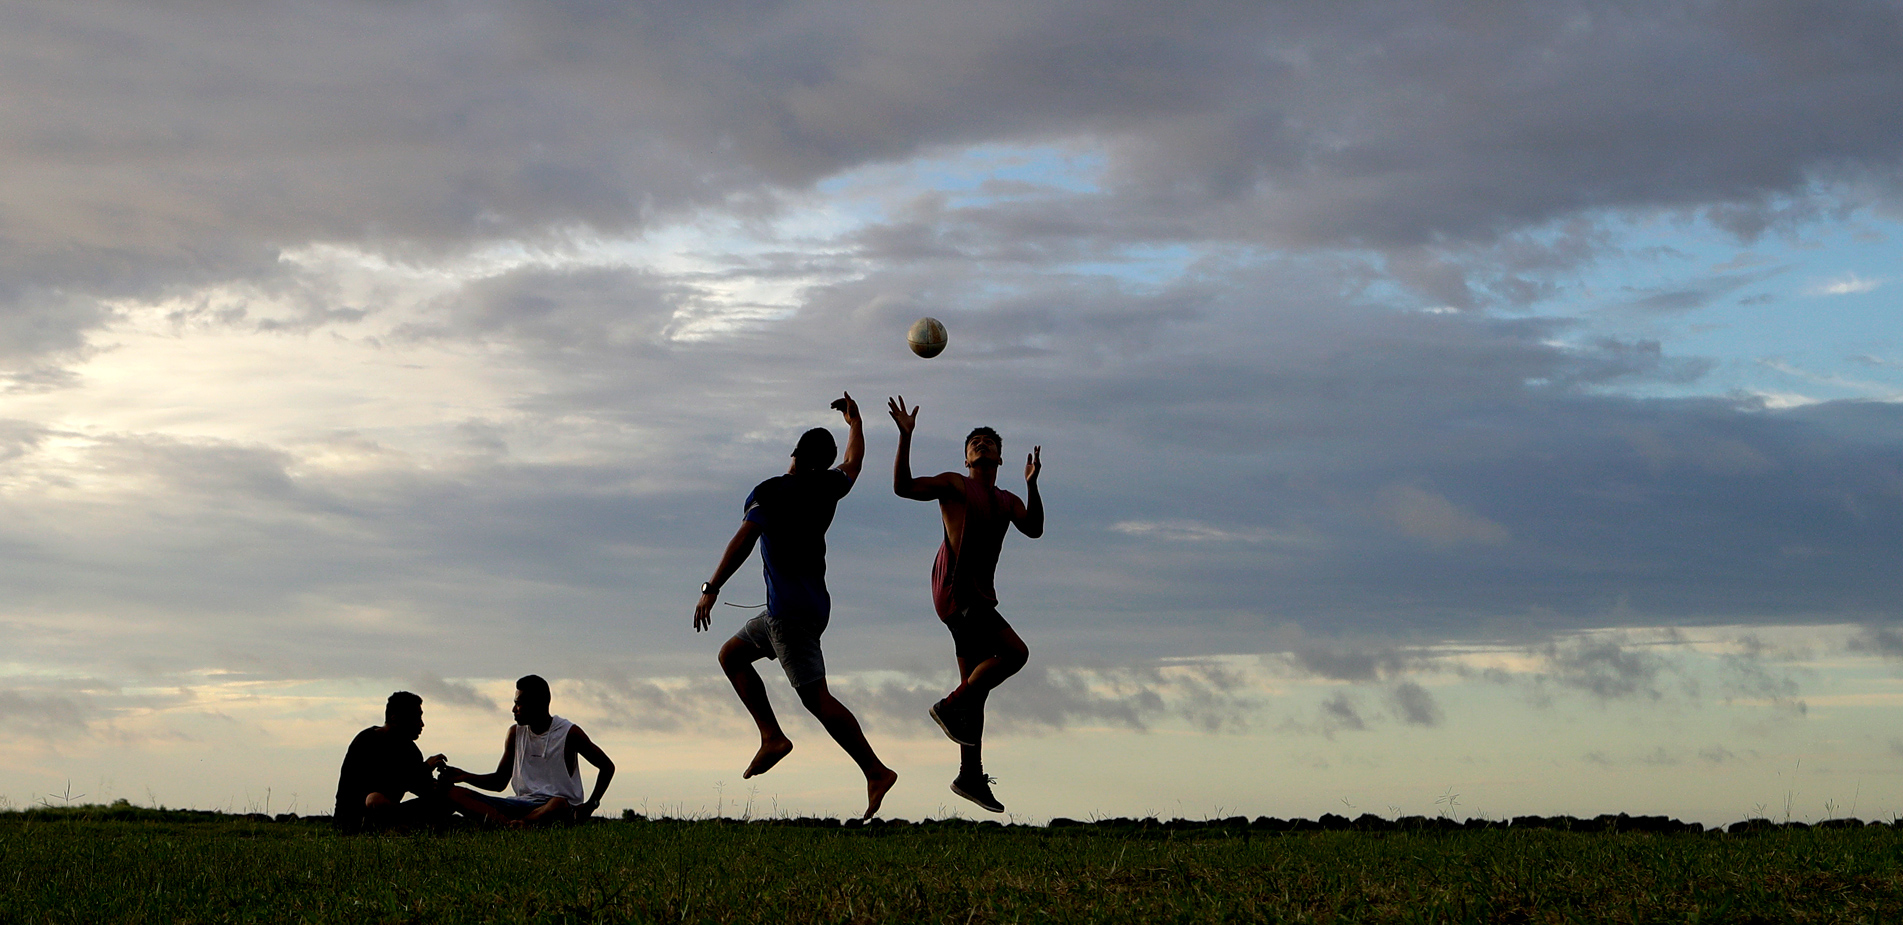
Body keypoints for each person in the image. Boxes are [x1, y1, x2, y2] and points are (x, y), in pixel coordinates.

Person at [693, 392, 899, 820]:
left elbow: (744, 540)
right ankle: (771, 736)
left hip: (788, 614)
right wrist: (855, 423)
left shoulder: (771, 491)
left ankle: (875, 770)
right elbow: (855, 463)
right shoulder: (828, 486)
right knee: (732, 655)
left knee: (816, 698)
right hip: (804, 608)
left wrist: (712, 586)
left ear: (794, 454)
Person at [887, 396, 1042, 813]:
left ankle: (969, 775)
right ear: (967, 456)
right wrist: (905, 438)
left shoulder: (1007, 499)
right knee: (1015, 654)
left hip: (976, 597)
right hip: (958, 595)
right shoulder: (956, 485)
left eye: (988, 442)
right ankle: (948, 705)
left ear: (999, 457)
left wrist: (1032, 483)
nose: (981, 444)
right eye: (974, 442)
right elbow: (903, 487)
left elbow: (1035, 529)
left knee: (979, 690)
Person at [439, 675, 615, 827]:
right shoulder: (515, 733)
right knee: (454, 793)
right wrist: (464, 776)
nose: (513, 710)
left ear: (537, 704)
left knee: (558, 804)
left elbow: (607, 766)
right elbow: (499, 782)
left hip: (555, 809)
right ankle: (513, 826)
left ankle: (520, 824)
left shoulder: (569, 733)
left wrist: (591, 805)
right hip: (517, 805)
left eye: (519, 704)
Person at [333, 691, 453, 833]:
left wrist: (440, 785)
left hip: (392, 813)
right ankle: (405, 827)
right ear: (395, 718)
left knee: (449, 798)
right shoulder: (367, 741)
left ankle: (408, 827)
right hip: (357, 817)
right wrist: (425, 768)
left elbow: (421, 787)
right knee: (375, 799)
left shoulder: (411, 751)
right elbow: (386, 783)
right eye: (416, 718)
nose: (421, 724)